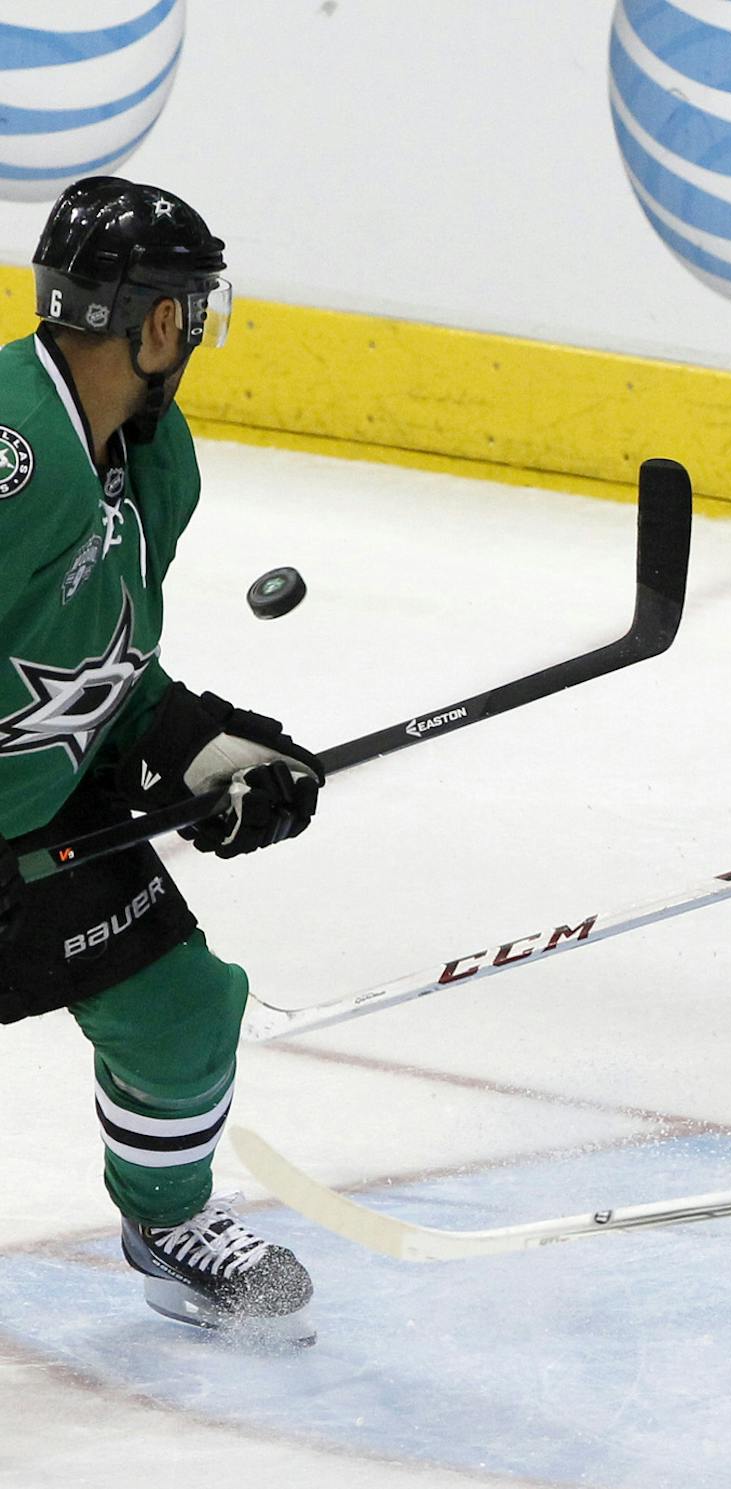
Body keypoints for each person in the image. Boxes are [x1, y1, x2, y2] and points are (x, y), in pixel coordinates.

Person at [0, 177, 323, 1343]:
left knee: (182, 1009)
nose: (193, 333)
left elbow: (101, 659)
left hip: (34, 810)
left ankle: (168, 1224)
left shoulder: (154, 459)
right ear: (148, 320)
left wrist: (195, 748)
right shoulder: (12, 457)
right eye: (187, 307)